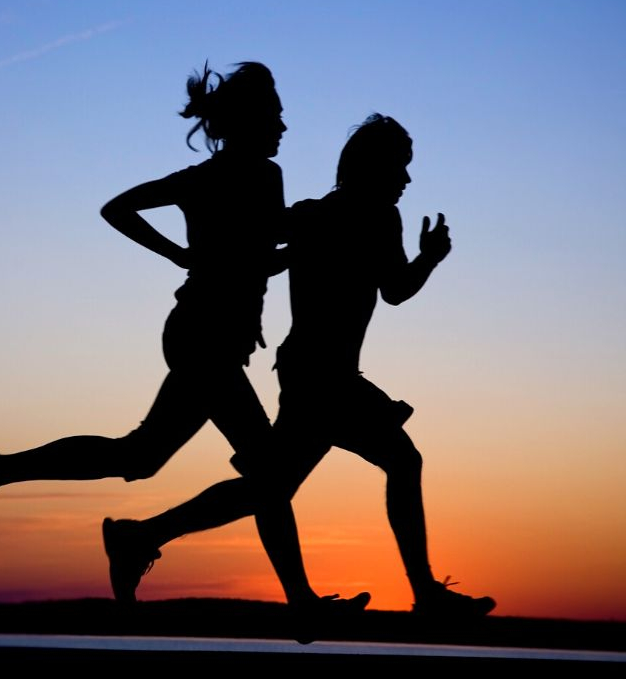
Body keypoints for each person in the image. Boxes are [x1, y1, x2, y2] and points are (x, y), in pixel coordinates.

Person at [101, 114, 495, 639]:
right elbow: (253, 241)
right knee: (400, 460)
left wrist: (427, 258)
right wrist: (200, 245)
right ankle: (424, 594)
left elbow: (394, 289)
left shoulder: (365, 218)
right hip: (319, 379)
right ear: (372, 167)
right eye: (400, 167)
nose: (406, 179)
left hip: (318, 375)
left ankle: (142, 535)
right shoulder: (323, 217)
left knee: (268, 488)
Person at [0, 62, 294, 547]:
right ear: (249, 121)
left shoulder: (220, 178)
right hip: (204, 338)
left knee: (140, 457)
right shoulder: (255, 177)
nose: (283, 127)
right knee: (268, 470)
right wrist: (183, 254)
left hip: (207, 337)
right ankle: (150, 542)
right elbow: (250, 256)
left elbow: (253, 256)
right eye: (275, 117)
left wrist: (196, 257)